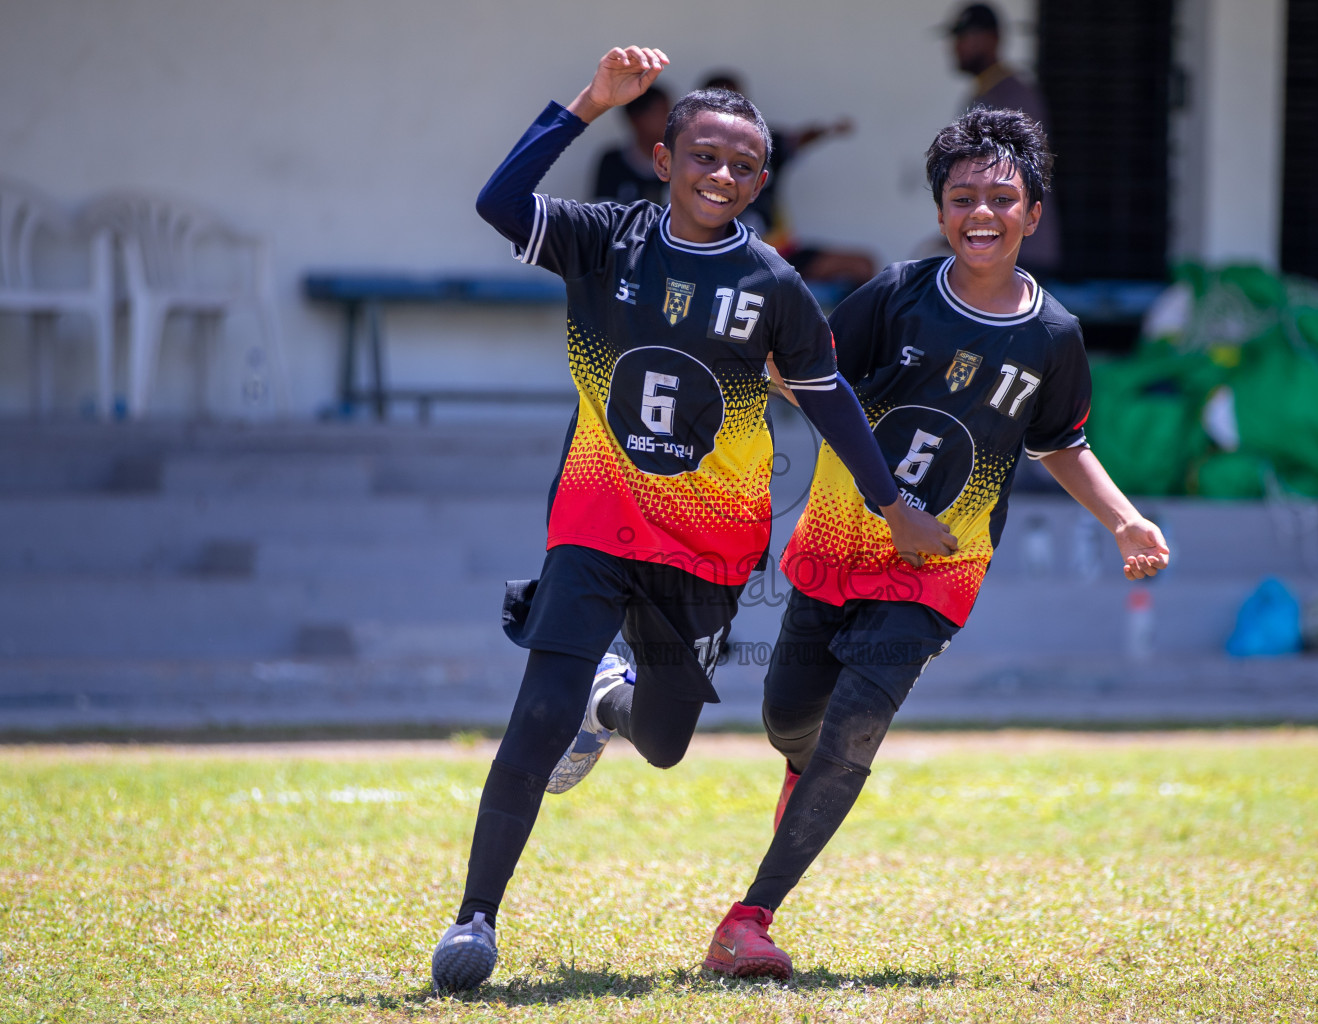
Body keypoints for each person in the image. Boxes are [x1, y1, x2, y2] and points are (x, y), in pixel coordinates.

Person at [428, 45, 957, 995]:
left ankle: (613, 698)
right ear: (663, 158)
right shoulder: (604, 237)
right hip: (596, 516)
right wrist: (589, 102)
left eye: (744, 165)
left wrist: (895, 507)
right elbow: (499, 206)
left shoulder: (775, 287)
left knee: (666, 741)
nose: (723, 175)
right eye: (704, 155)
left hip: (711, 543)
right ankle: (475, 917)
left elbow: (831, 398)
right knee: (536, 714)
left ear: (761, 181)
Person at [697, 108, 1171, 979]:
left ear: (1034, 212)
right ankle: (805, 782)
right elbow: (801, 373)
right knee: (789, 721)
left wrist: (1123, 519)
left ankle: (748, 919)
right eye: (963, 198)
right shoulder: (896, 295)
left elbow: (1061, 444)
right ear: (941, 208)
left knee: (854, 734)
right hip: (839, 545)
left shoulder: (1055, 337)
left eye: (1002, 197)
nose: (981, 214)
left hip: (939, 568)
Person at [698, 71, 875, 288]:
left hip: (780, 254)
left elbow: (798, 139)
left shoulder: (764, 143)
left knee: (862, 265)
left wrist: (829, 129)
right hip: (727, 261)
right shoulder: (692, 152)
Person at [944, 1, 1060, 274]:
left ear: (992, 39)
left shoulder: (1012, 94)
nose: (956, 47)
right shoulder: (986, 90)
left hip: (1018, 248)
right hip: (993, 244)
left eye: (965, 37)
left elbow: (1013, 177)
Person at [590, 85, 670, 205]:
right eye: (660, 112)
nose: (668, 121)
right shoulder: (612, 162)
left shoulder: (679, 163)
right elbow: (601, 215)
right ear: (635, 118)